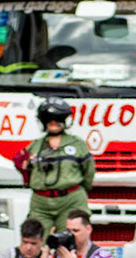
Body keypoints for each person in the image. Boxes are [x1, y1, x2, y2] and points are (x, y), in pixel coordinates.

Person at [19, 97, 93, 232]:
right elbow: (24, 169)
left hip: (70, 200)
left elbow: (88, 173)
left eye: (58, 120)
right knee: (35, 239)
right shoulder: (35, 146)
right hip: (40, 203)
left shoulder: (77, 144)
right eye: (49, 120)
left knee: (68, 240)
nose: (53, 124)